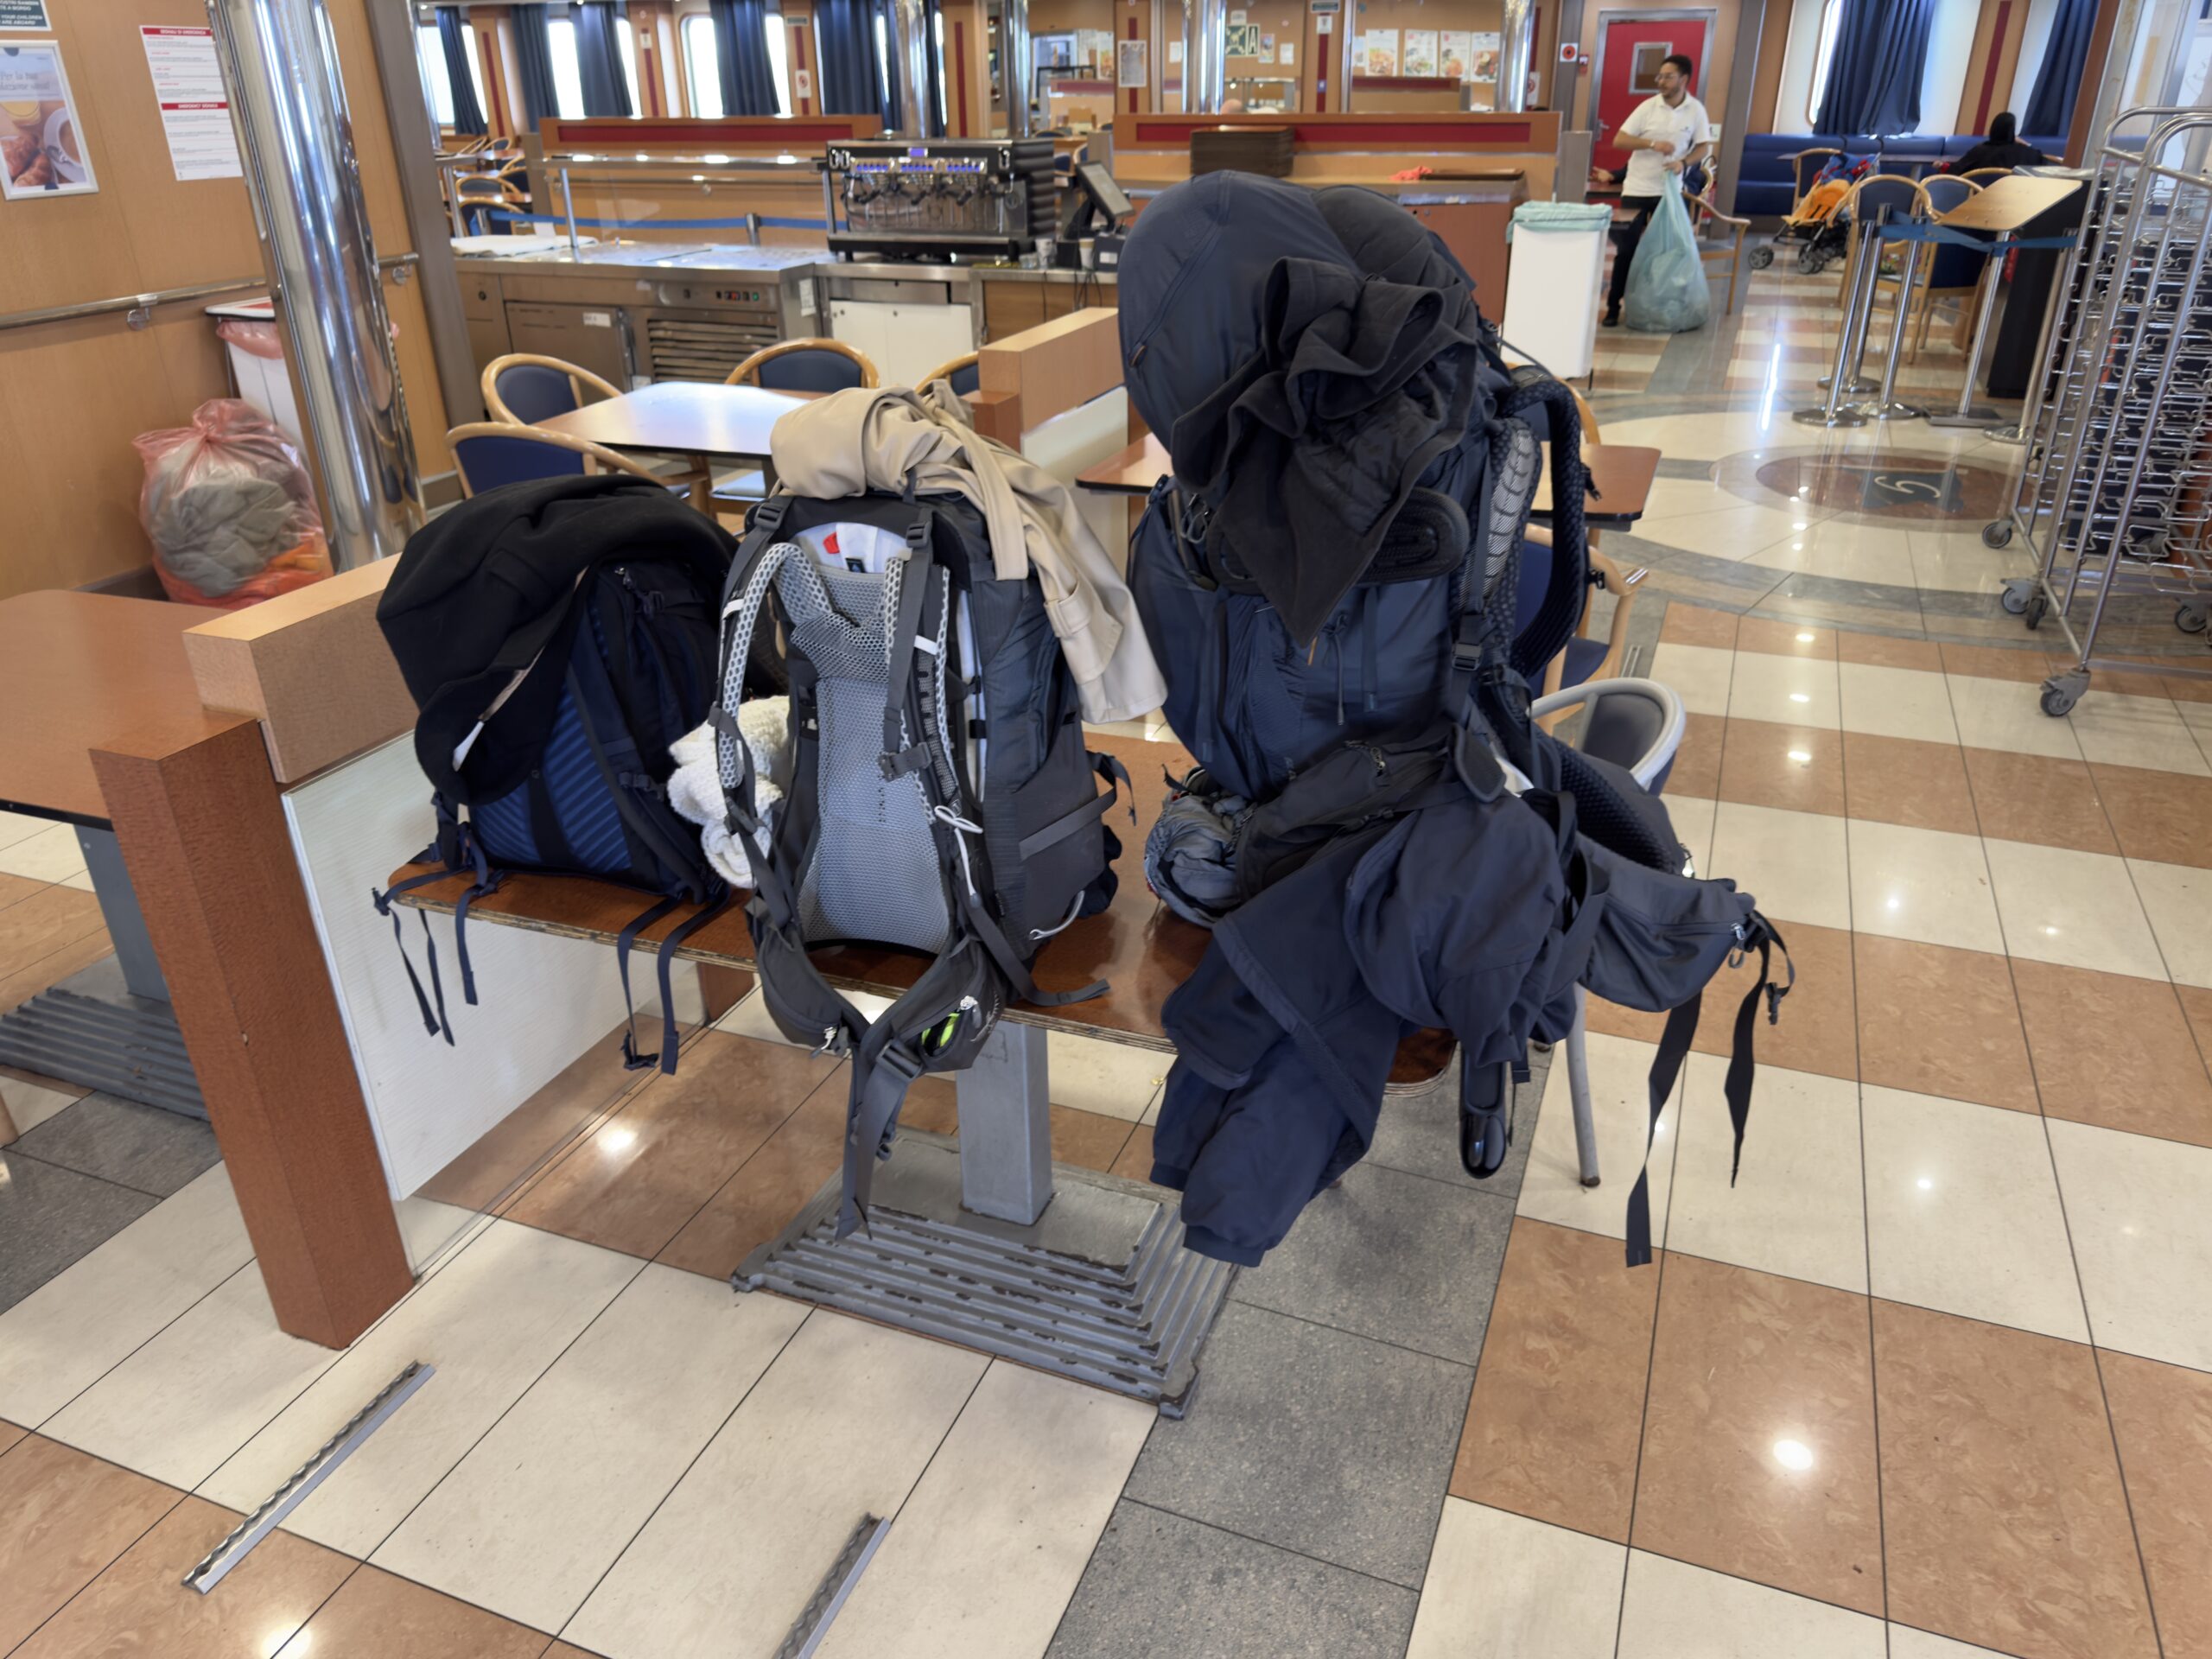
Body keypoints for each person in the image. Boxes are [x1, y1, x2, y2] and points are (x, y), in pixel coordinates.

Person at [1601, 53, 1713, 327]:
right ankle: (1614, 307)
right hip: (1637, 188)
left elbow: (1703, 147)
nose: (1661, 81)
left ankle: (1670, 304)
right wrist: (1652, 144)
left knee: (1674, 250)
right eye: (1659, 76)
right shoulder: (1647, 108)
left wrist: (1683, 163)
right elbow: (1620, 140)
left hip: (1670, 192)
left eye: (1668, 76)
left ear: (1683, 79)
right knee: (1626, 250)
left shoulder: (1695, 110)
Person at [1948, 111, 2045, 175]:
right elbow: (2042, 170)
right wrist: (2026, 145)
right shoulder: (2027, 153)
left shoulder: (1979, 151)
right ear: (2012, 131)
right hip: (2017, 201)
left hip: (1978, 197)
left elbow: (1954, 172)